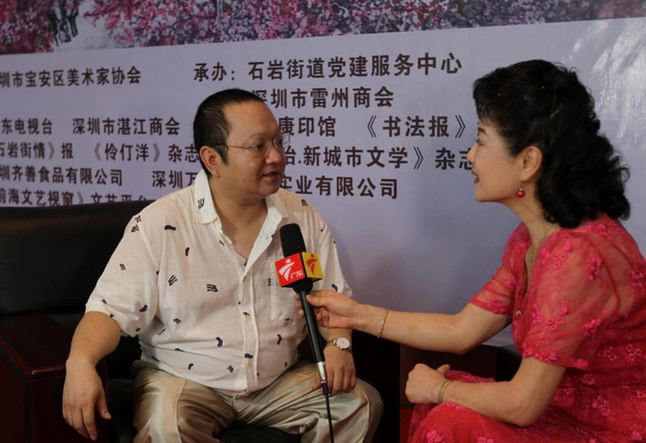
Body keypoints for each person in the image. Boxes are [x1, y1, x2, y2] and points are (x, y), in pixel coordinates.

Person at [298, 60, 646, 442]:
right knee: (446, 405)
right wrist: (356, 315)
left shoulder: (577, 254)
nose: (470, 155)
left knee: (451, 415)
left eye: (481, 140)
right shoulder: (531, 237)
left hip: (610, 429)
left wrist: (440, 389)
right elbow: (463, 329)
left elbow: (522, 404)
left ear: (528, 161)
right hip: (562, 410)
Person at [62, 88, 383, 442]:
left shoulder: (300, 217)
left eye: (278, 141)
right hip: (184, 381)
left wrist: (339, 346)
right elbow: (109, 311)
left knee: (359, 404)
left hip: (277, 383)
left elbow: (332, 301)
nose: (276, 156)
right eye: (258, 146)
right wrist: (80, 361)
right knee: (167, 425)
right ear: (212, 158)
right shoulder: (159, 224)